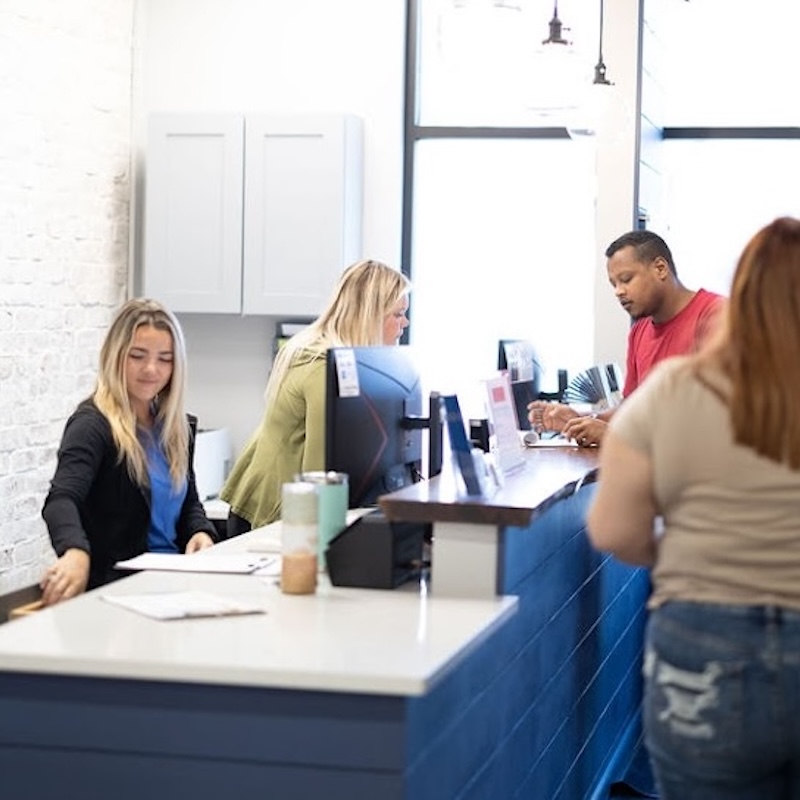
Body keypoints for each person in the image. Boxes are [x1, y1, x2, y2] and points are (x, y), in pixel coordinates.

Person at [586, 216, 800, 799]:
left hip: (706, 633)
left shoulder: (677, 386)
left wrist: (686, 548)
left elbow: (615, 531)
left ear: (744, 297)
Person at [40, 298, 219, 605]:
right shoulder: (92, 426)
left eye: (165, 358)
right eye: (138, 356)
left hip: (174, 586)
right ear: (115, 356)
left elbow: (188, 502)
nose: (151, 369)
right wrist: (75, 550)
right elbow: (62, 499)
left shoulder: (175, 428)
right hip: (119, 591)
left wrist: (200, 532)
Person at [221, 259, 411, 536]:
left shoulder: (340, 358)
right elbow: (319, 472)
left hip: (286, 508)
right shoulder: (323, 364)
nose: (405, 323)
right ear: (370, 314)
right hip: (271, 512)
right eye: (398, 314)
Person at [528, 230, 724, 447]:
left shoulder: (717, 317)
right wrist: (584, 420)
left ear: (660, 268)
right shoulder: (639, 331)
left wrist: (614, 435)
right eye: (614, 284)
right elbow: (633, 410)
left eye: (626, 279)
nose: (619, 292)